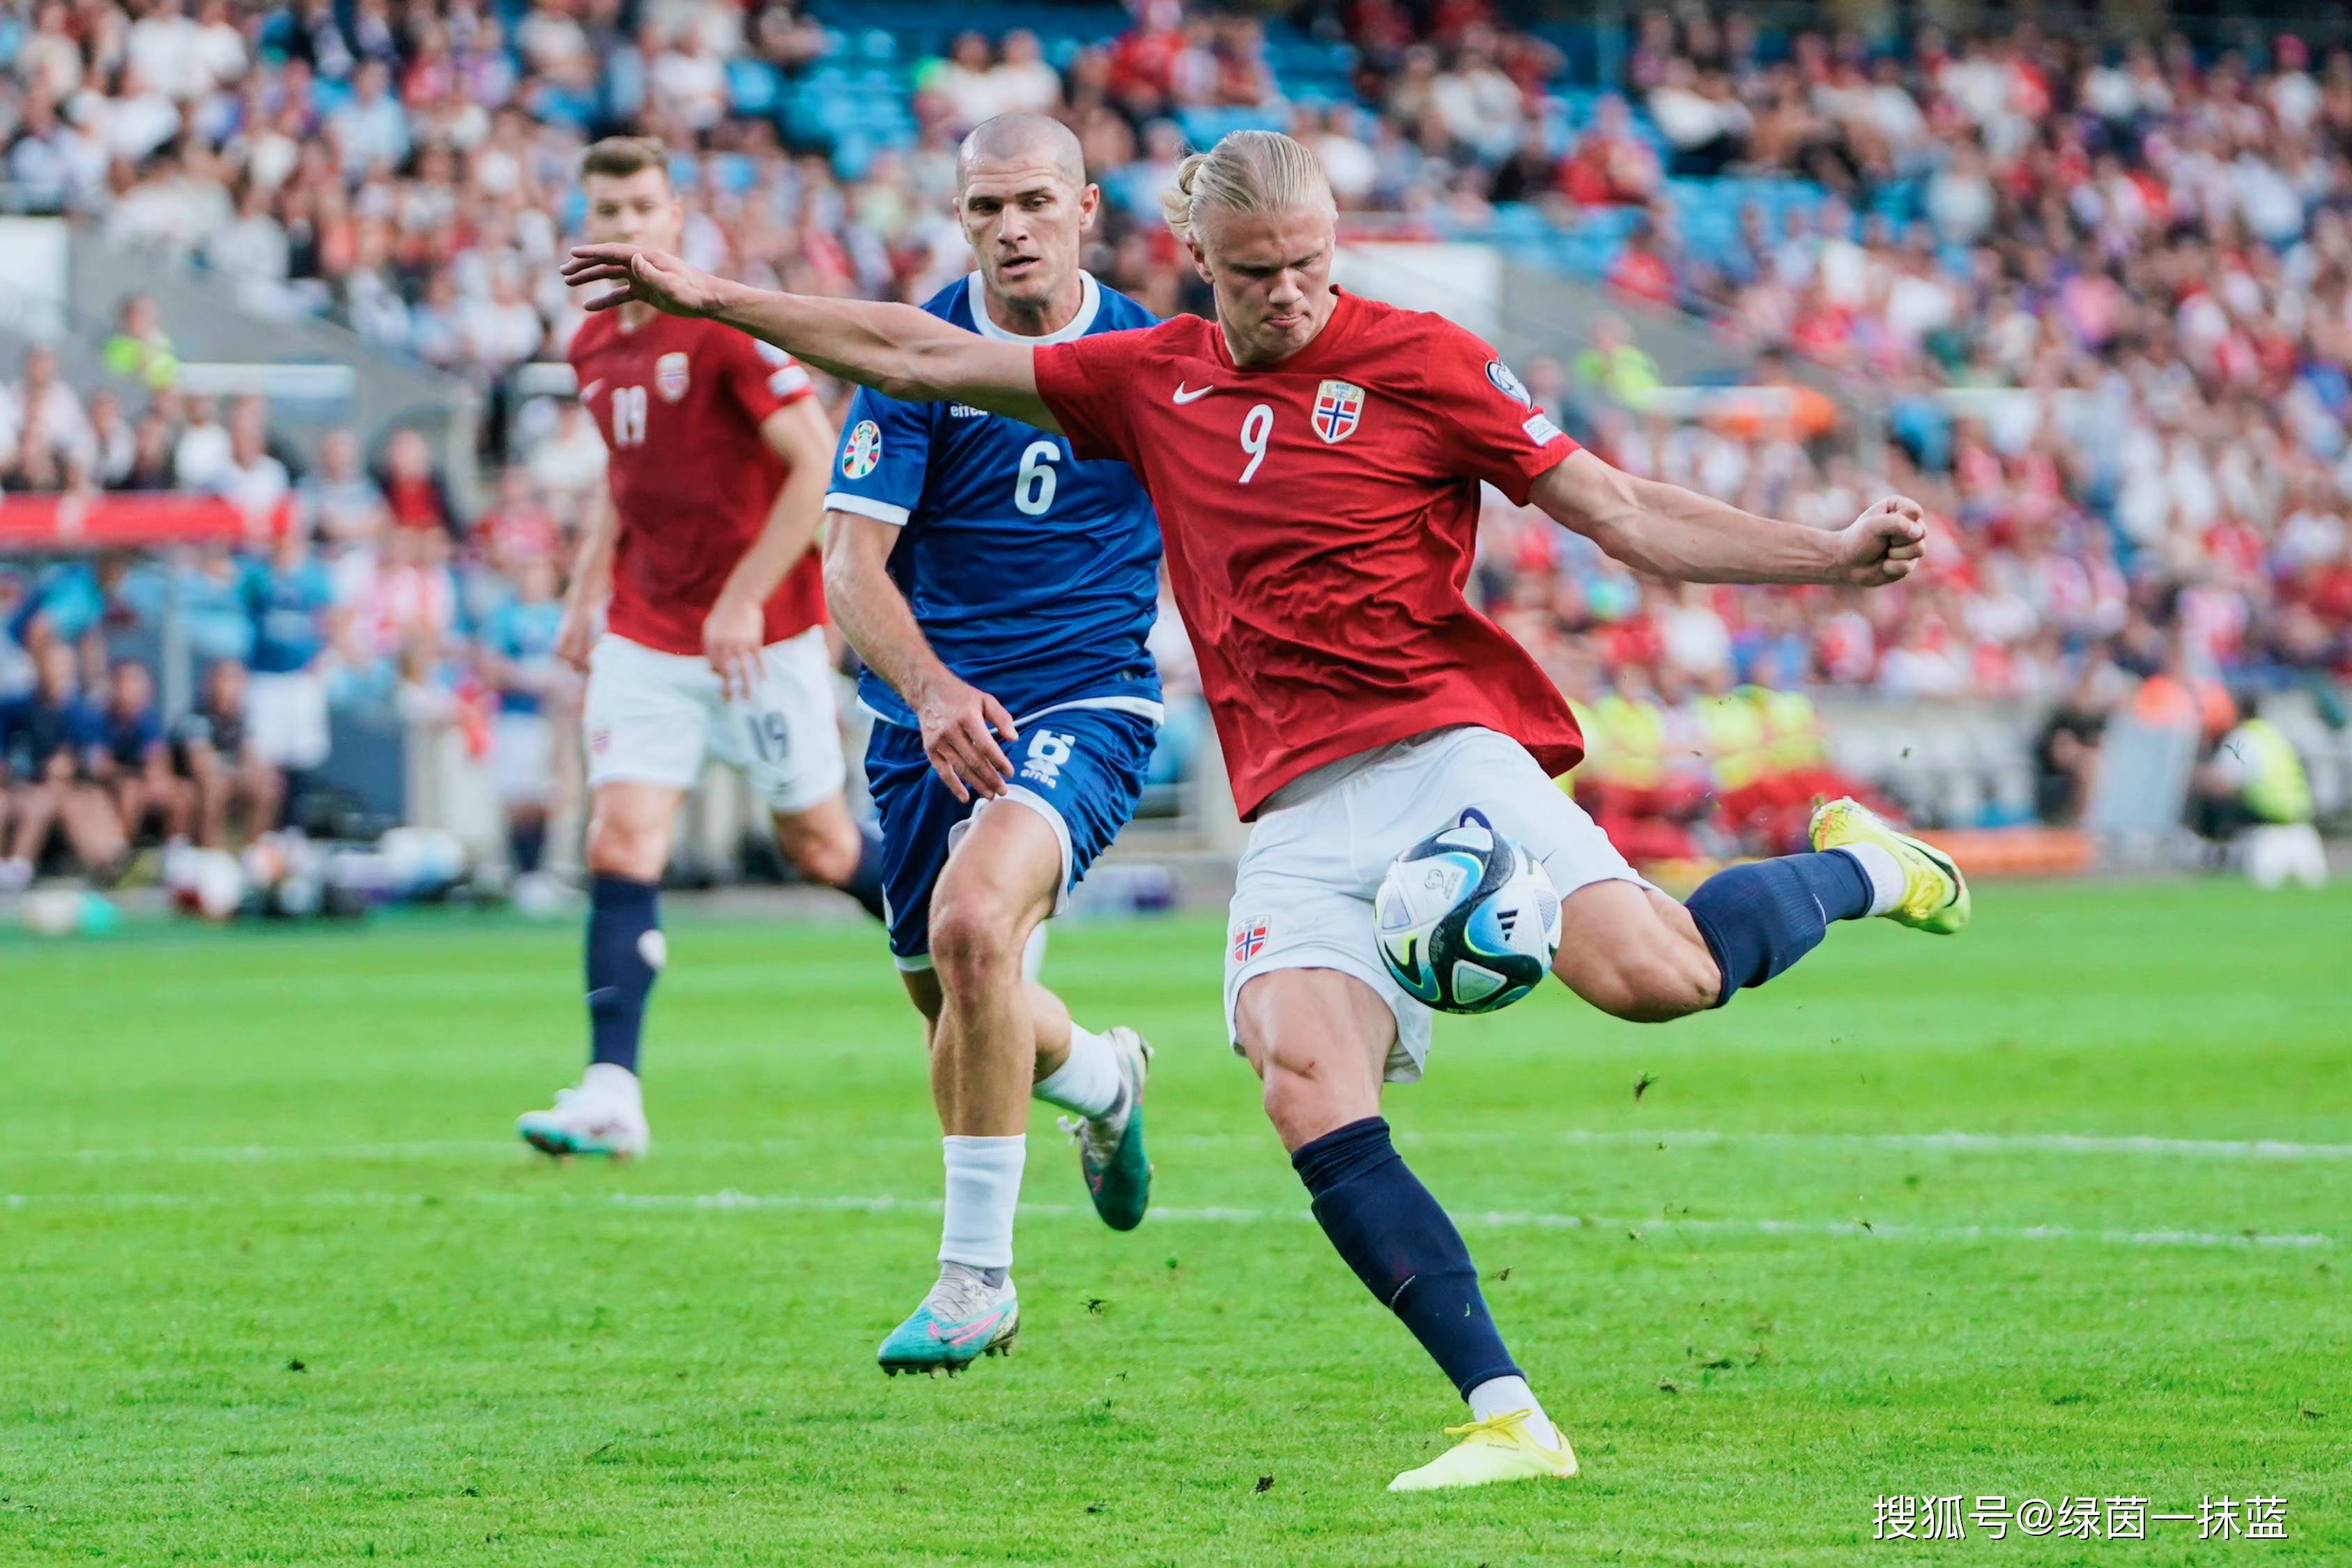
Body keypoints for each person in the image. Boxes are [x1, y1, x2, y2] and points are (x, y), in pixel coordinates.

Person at [563, 128, 1967, 1491]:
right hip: (1289, 808)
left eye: (1304, 263)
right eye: (1251, 273)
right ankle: (1505, 1413)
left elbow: (1623, 513)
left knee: (1660, 980)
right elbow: (922, 353)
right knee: (1300, 1085)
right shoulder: (1149, 379)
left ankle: (1859, 868)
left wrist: (1829, 557)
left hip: (1441, 755)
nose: (1285, 293)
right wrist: (714, 296)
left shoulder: (1424, 360)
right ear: (1194, 261)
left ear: (1334, 245)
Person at [819, 115, 1164, 1375]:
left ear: (1084, 210)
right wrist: (928, 686)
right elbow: (850, 563)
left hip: (1087, 705)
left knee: (973, 932)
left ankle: (977, 1282)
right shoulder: (920, 356)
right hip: (929, 722)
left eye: (1032, 201)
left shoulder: (1151, 359)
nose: (1009, 227)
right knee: (955, 1000)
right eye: (983, 208)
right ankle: (1105, 1083)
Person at [517, 137, 890, 1162]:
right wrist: (589, 586)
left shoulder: (723, 328)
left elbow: (816, 464)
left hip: (758, 635)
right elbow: (623, 474)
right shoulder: (591, 339)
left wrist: (738, 598)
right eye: (607, 207)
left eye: (642, 205)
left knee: (820, 847)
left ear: (673, 217)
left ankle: (971, 927)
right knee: (619, 839)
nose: (625, 225)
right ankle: (611, 1091)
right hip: (648, 630)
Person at [1, 639, 127, 885]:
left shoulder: (80, 714)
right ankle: (17, 866)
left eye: (63, 667)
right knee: (37, 799)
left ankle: (110, 860)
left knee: (84, 798)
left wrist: (74, 765)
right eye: (51, 665)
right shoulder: (14, 710)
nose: (56, 672)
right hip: (20, 788)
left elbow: (91, 761)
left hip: (66, 790)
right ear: (37, 667)